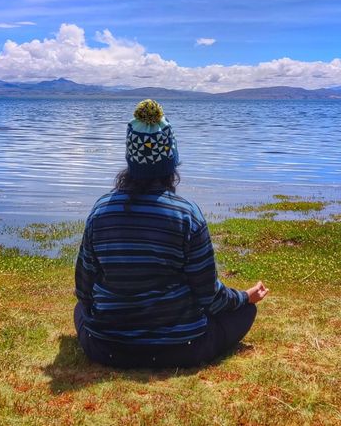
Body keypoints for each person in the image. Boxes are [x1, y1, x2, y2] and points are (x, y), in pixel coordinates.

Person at [74, 99, 268, 369]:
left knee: (79, 311)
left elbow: (84, 289)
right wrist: (244, 297)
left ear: (130, 160)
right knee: (246, 311)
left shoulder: (101, 211)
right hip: (181, 349)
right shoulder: (187, 214)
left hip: (107, 347)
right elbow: (208, 297)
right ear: (171, 162)